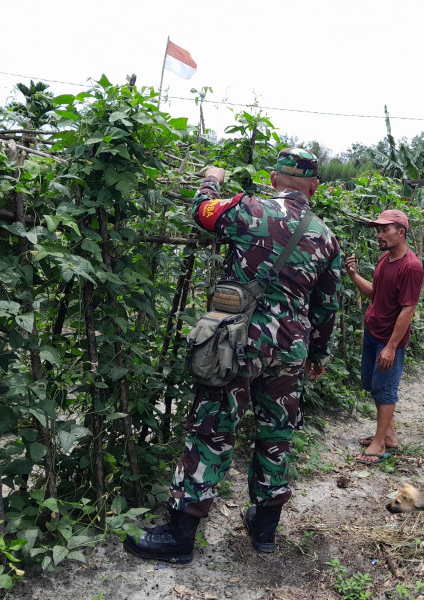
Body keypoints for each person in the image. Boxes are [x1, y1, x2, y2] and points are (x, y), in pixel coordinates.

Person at [124, 149, 342, 563]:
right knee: (277, 433)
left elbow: (201, 212)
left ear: (275, 178)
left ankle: (180, 535)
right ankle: (264, 530)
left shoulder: (247, 209)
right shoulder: (327, 235)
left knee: (212, 430)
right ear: (314, 187)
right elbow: (326, 307)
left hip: (239, 344)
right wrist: (317, 355)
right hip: (291, 348)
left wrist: (211, 179)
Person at [344, 209, 424, 464]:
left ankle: (379, 444)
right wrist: (354, 275)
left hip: (388, 339)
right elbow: (374, 294)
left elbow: (407, 310)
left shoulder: (411, 266)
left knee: (385, 390)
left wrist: (390, 347)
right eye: (378, 230)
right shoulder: (384, 259)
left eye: (384, 229)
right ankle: (388, 435)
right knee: (371, 385)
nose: (379, 234)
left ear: (401, 232)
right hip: (373, 332)